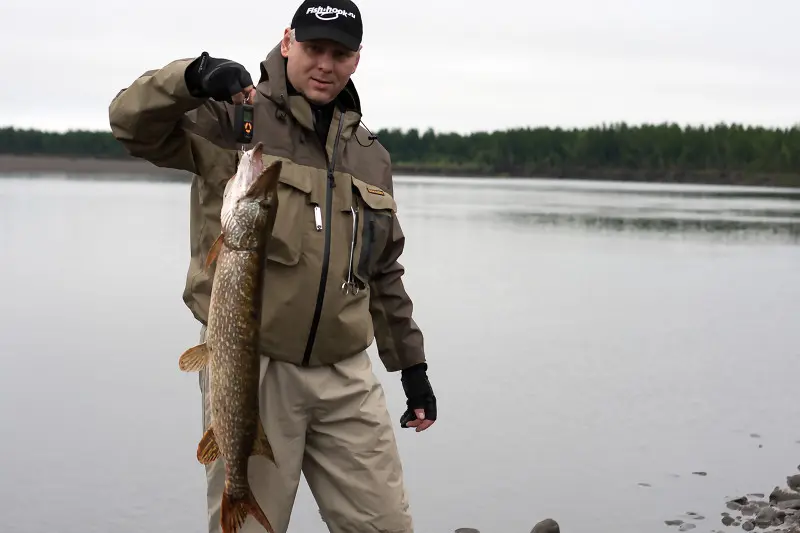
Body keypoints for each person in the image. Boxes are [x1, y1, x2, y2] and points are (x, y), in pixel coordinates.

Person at [108, 0, 437, 532]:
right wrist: (191, 76)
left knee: (387, 526)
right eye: (313, 49)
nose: (325, 64)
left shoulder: (370, 154)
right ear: (287, 43)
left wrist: (412, 368)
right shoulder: (233, 119)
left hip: (345, 373)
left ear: (356, 60)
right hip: (252, 368)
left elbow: (383, 272)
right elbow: (129, 123)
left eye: (340, 53)